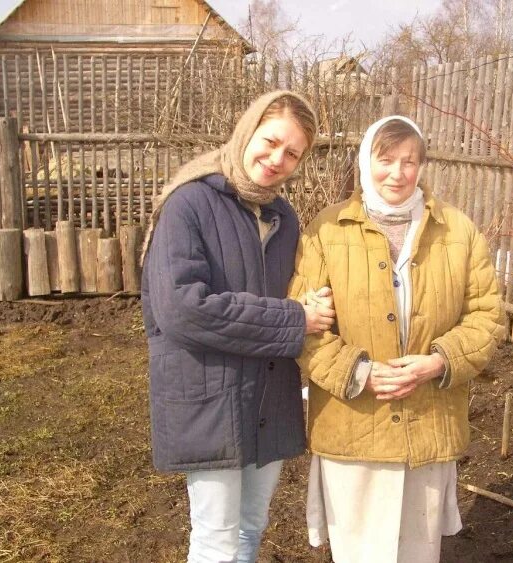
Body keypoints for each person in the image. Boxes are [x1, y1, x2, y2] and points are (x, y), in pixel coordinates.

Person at [290, 115, 505, 562]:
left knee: (416, 551)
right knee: (360, 550)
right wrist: (360, 372)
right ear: (365, 162)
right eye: (386, 159)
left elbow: (487, 317)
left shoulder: (458, 231)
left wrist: (440, 361)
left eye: (410, 161)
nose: (398, 172)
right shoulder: (326, 232)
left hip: (427, 420)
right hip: (354, 422)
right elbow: (303, 326)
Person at [141, 90, 334, 563]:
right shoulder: (189, 203)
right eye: (270, 142)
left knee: (250, 529)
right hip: (210, 395)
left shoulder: (282, 217)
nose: (276, 159)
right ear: (247, 131)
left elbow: (286, 291)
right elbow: (183, 309)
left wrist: (307, 300)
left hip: (267, 394)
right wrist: (295, 318)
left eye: (292, 153)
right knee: (216, 537)